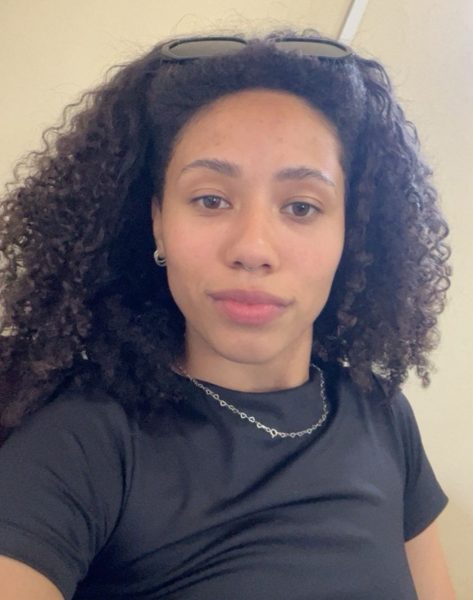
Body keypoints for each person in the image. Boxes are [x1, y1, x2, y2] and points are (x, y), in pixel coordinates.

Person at [0, 31, 455, 599]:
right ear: (158, 222)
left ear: (351, 234)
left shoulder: (381, 413)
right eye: (211, 200)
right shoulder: (84, 441)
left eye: (301, 206)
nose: (253, 247)